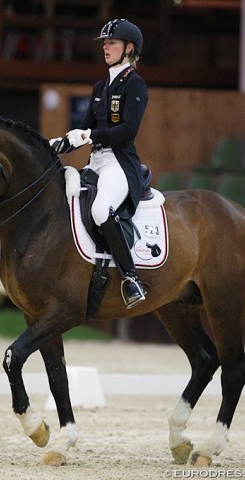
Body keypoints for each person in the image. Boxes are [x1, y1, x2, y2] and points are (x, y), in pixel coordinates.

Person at [54, 19, 148, 309]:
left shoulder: (134, 84)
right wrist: (58, 144)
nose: (105, 48)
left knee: (99, 209)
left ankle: (130, 278)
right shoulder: (99, 86)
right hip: (95, 161)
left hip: (119, 163)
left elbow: (127, 132)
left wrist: (90, 135)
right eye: (104, 44)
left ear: (129, 48)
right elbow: (83, 129)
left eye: (112, 43)